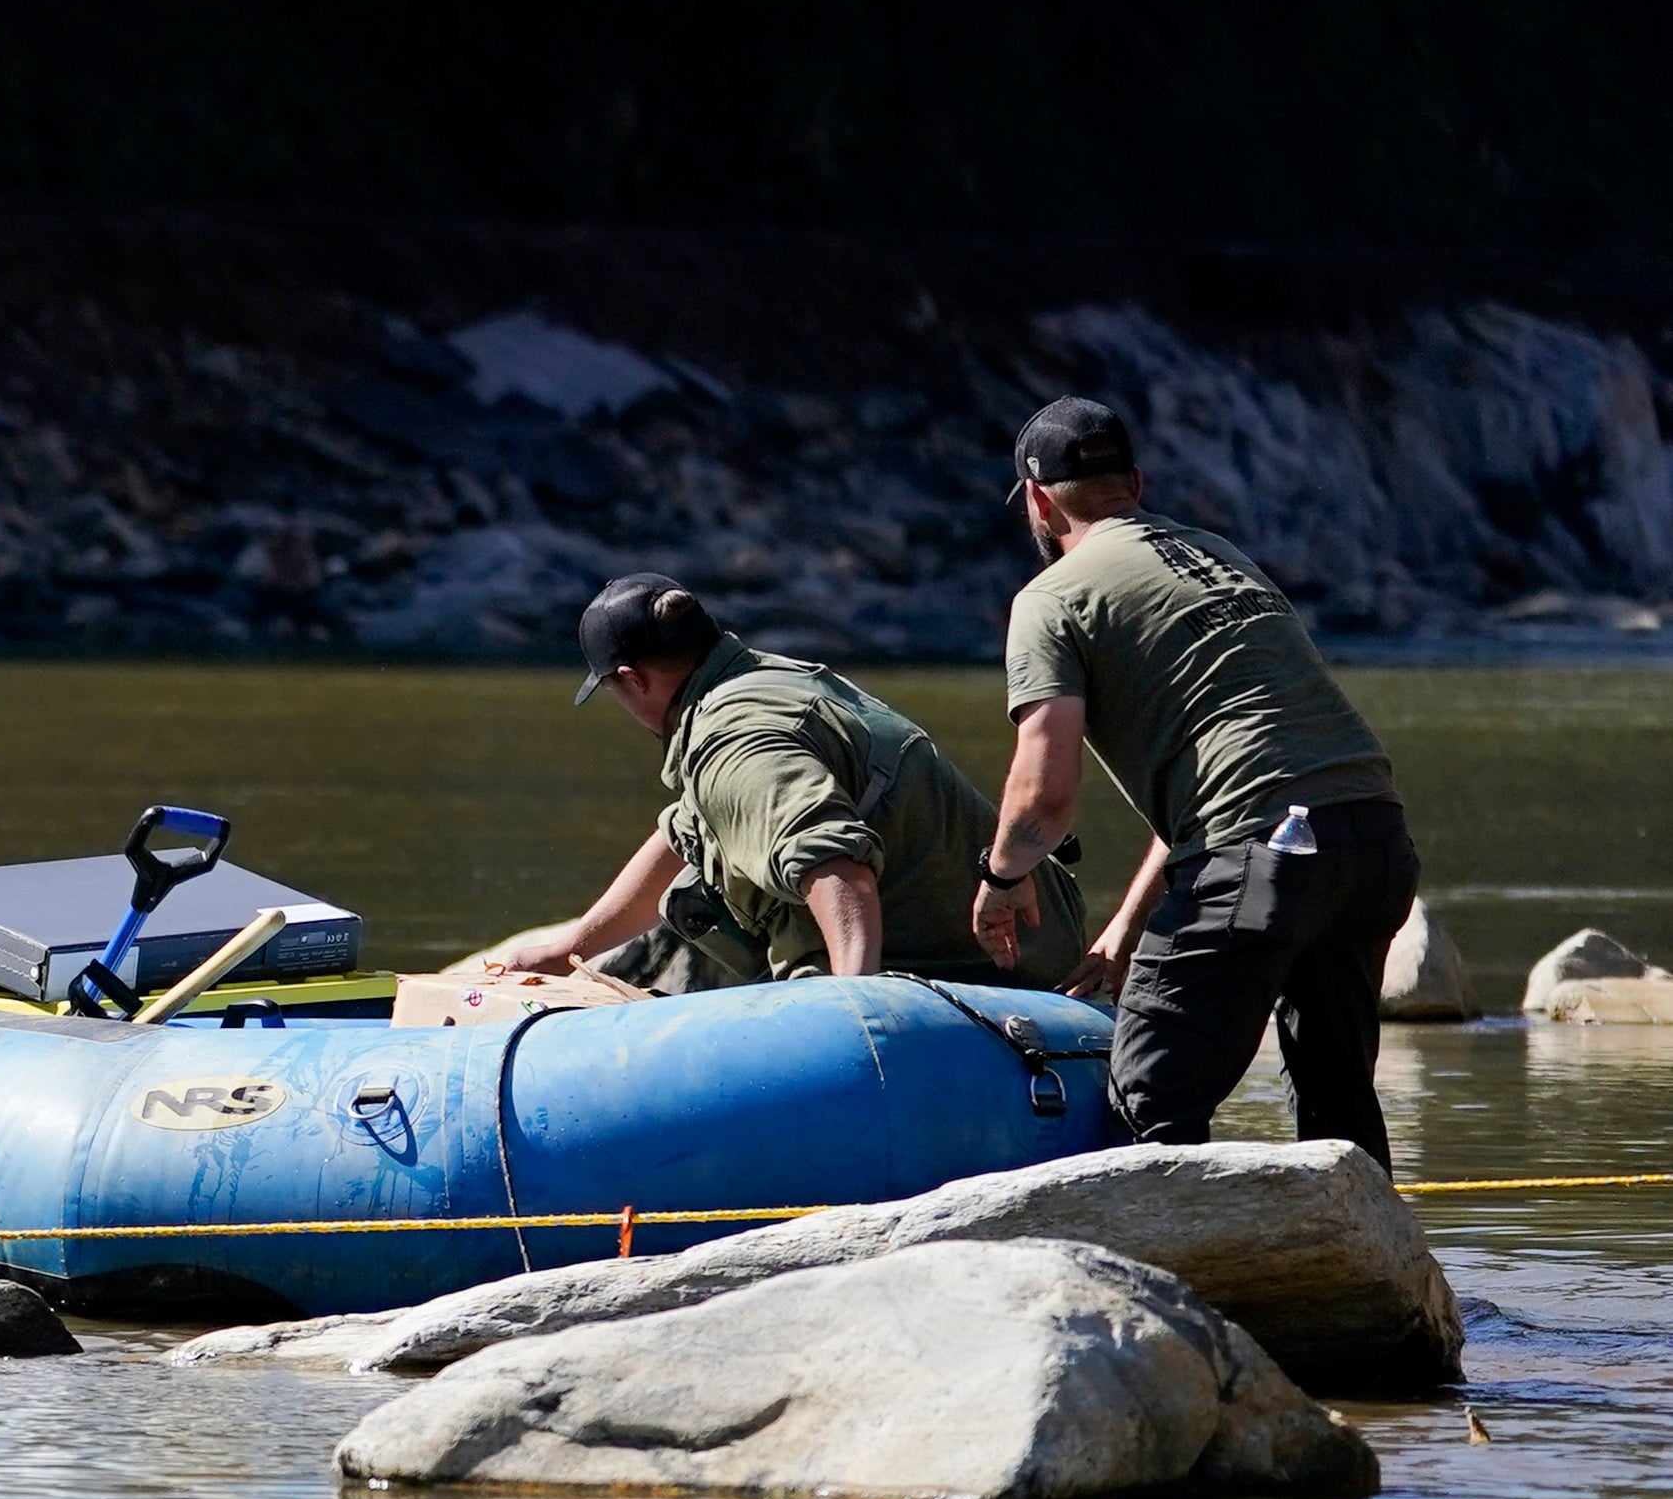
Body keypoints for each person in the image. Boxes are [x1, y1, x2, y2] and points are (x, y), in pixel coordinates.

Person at [973, 394, 1415, 1158]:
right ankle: (1373, 1274)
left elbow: (1044, 795)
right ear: (1137, 486)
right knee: (1338, 1097)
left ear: (1039, 502)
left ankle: (1156, 1279)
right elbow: (1231, 777)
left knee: (1149, 1093)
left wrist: (1002, 877)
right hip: (1373, 839)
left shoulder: (1052, 597)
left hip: (1266, 848)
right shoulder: (1220, 556)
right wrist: (1125, 930)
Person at [471, 574, 1067, 994]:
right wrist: (573, 946)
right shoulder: (760, 679)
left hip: (979, 972)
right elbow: (688, 833)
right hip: (1040, 939)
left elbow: (838, 868)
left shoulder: (732, 744)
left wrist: (853, 1007)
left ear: (631, 680)